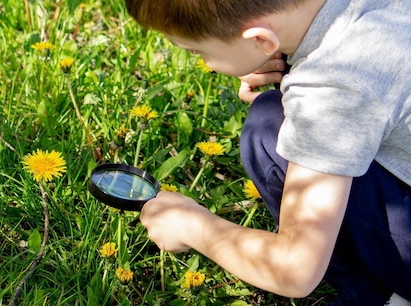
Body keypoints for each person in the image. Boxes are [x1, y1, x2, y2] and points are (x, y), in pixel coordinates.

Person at [124, 0, 411, 305]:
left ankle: (380, 298)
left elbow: (294, 268)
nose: (205, 63)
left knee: (268, 129)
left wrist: (195, 227)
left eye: (198, 52)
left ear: (260, 39)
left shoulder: (331, 87)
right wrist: (286, 55)